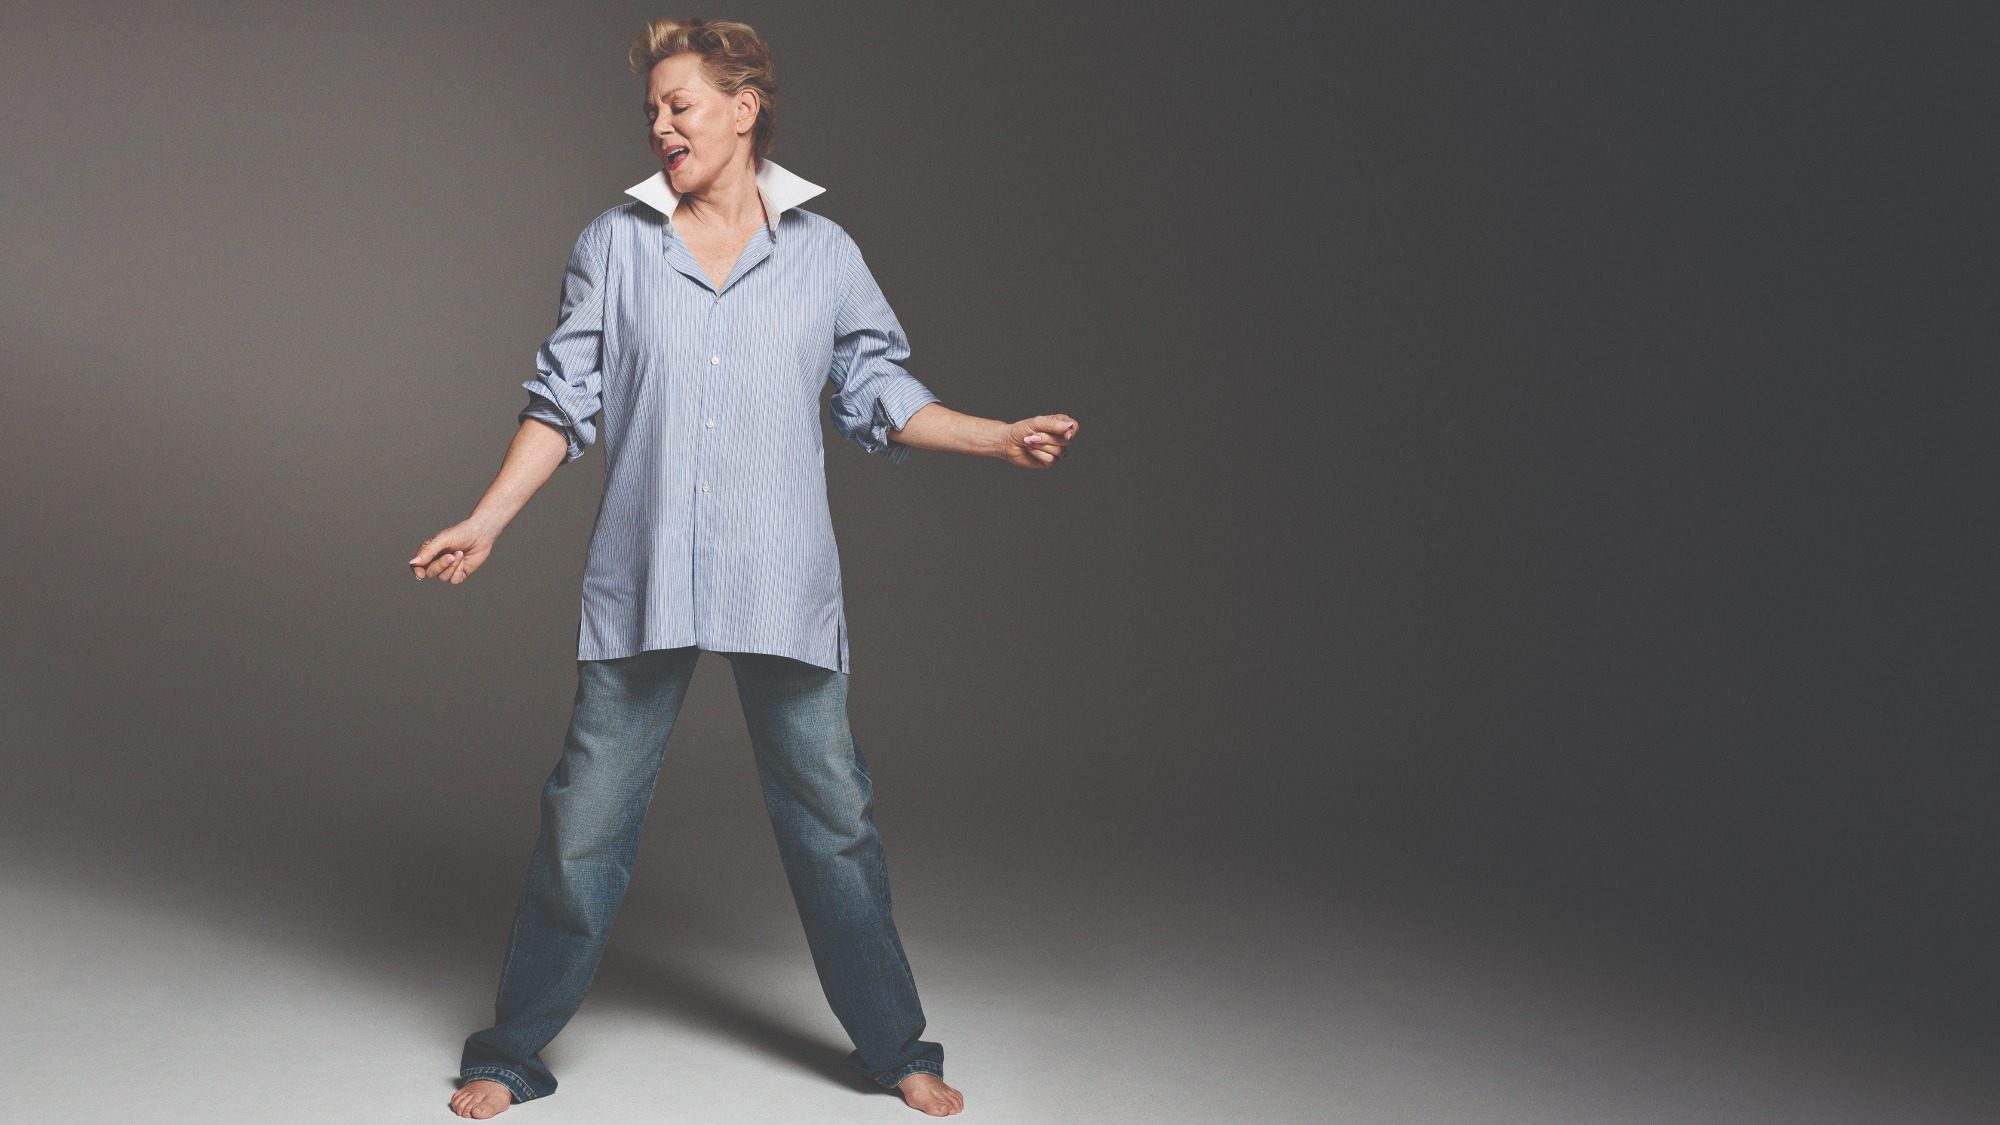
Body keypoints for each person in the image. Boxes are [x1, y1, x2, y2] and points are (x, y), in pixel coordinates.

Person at [406, 16, 1077, 1121]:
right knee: (582, 828)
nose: (661, 125)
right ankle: (512, 1050)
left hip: (781, 581)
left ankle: (893, 1047)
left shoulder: (823, 256)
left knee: (835, 823)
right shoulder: (614, 245)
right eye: (652, 109)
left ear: (743, 106)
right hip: (645, 574)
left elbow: (882, 395)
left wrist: (998, 436)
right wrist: (487, 519)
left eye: (680, 103)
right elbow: (562, 402)